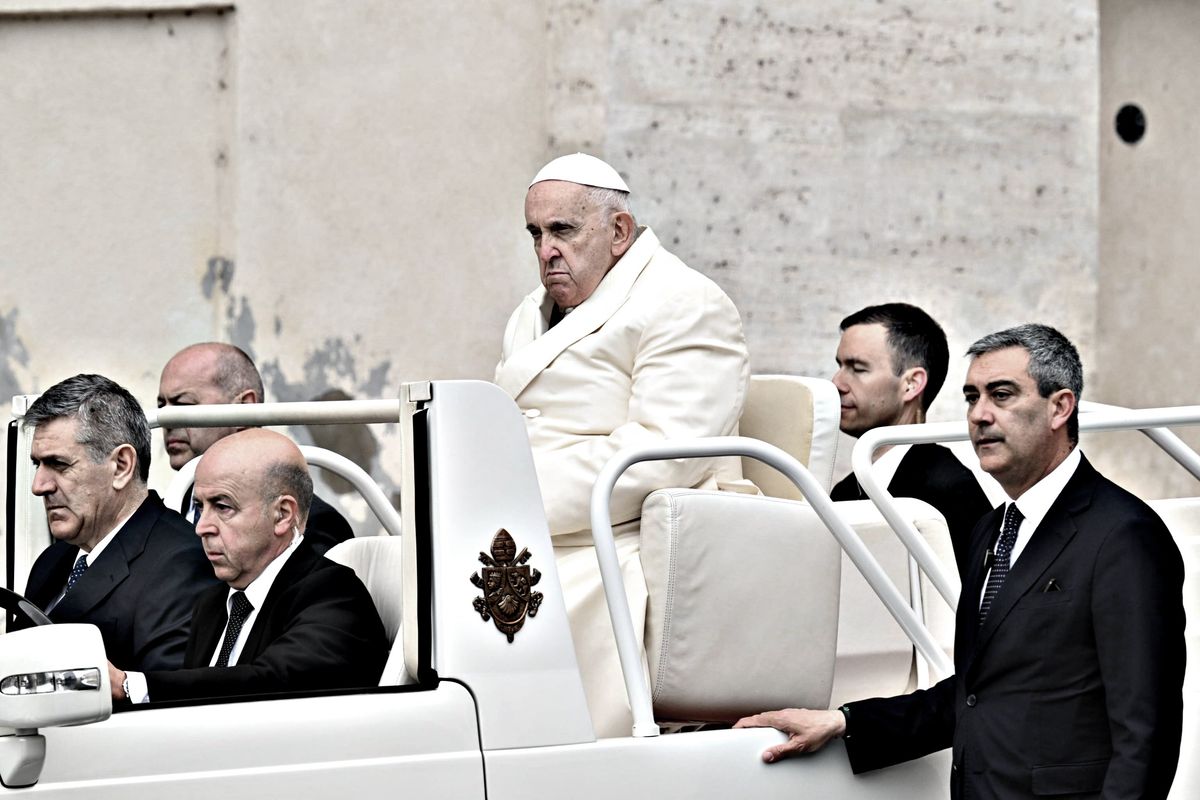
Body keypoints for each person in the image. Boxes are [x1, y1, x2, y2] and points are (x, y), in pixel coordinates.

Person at [736, 324, 1186, 799]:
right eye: (972, 397)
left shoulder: (1124, 535)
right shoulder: (992, 531)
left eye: (1002, 395)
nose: (980, 415)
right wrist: (845, 721)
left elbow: (1147, 731)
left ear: (1060, 407)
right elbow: (975, 695)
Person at [494, 153, 750, 737]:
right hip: (534, 515)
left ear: (618, 232)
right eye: (535, 233)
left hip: (622, 526)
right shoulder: (528, 316)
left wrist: (516, 497)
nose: (545, 250)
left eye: (563, 230)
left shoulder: (686, 302)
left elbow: (665, 454)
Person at [110, 429, 388, 703]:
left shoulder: (333, 593)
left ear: (282, 515)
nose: (201, 527)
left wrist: (130, 686)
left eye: (222, 507)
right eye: (199, 507)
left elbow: (272, 684)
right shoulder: (214, 602)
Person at [18, 374, 219, 671]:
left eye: (59, 465)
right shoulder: (53, 560)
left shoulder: (181, 563)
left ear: (122, 466)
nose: (39, 485)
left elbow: (167, 701)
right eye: (38, 465)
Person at [829, 303, 992, 575]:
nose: (837, 383)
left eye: (857, 368)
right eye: (840, 366)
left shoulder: (950, 492)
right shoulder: (845, 492)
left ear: (911, 384)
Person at [158, 342, 354, 554]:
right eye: (161, 407)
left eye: (184, 404)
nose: (167, 420)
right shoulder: (166, 509)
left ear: (245, 408)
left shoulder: (310, 524)